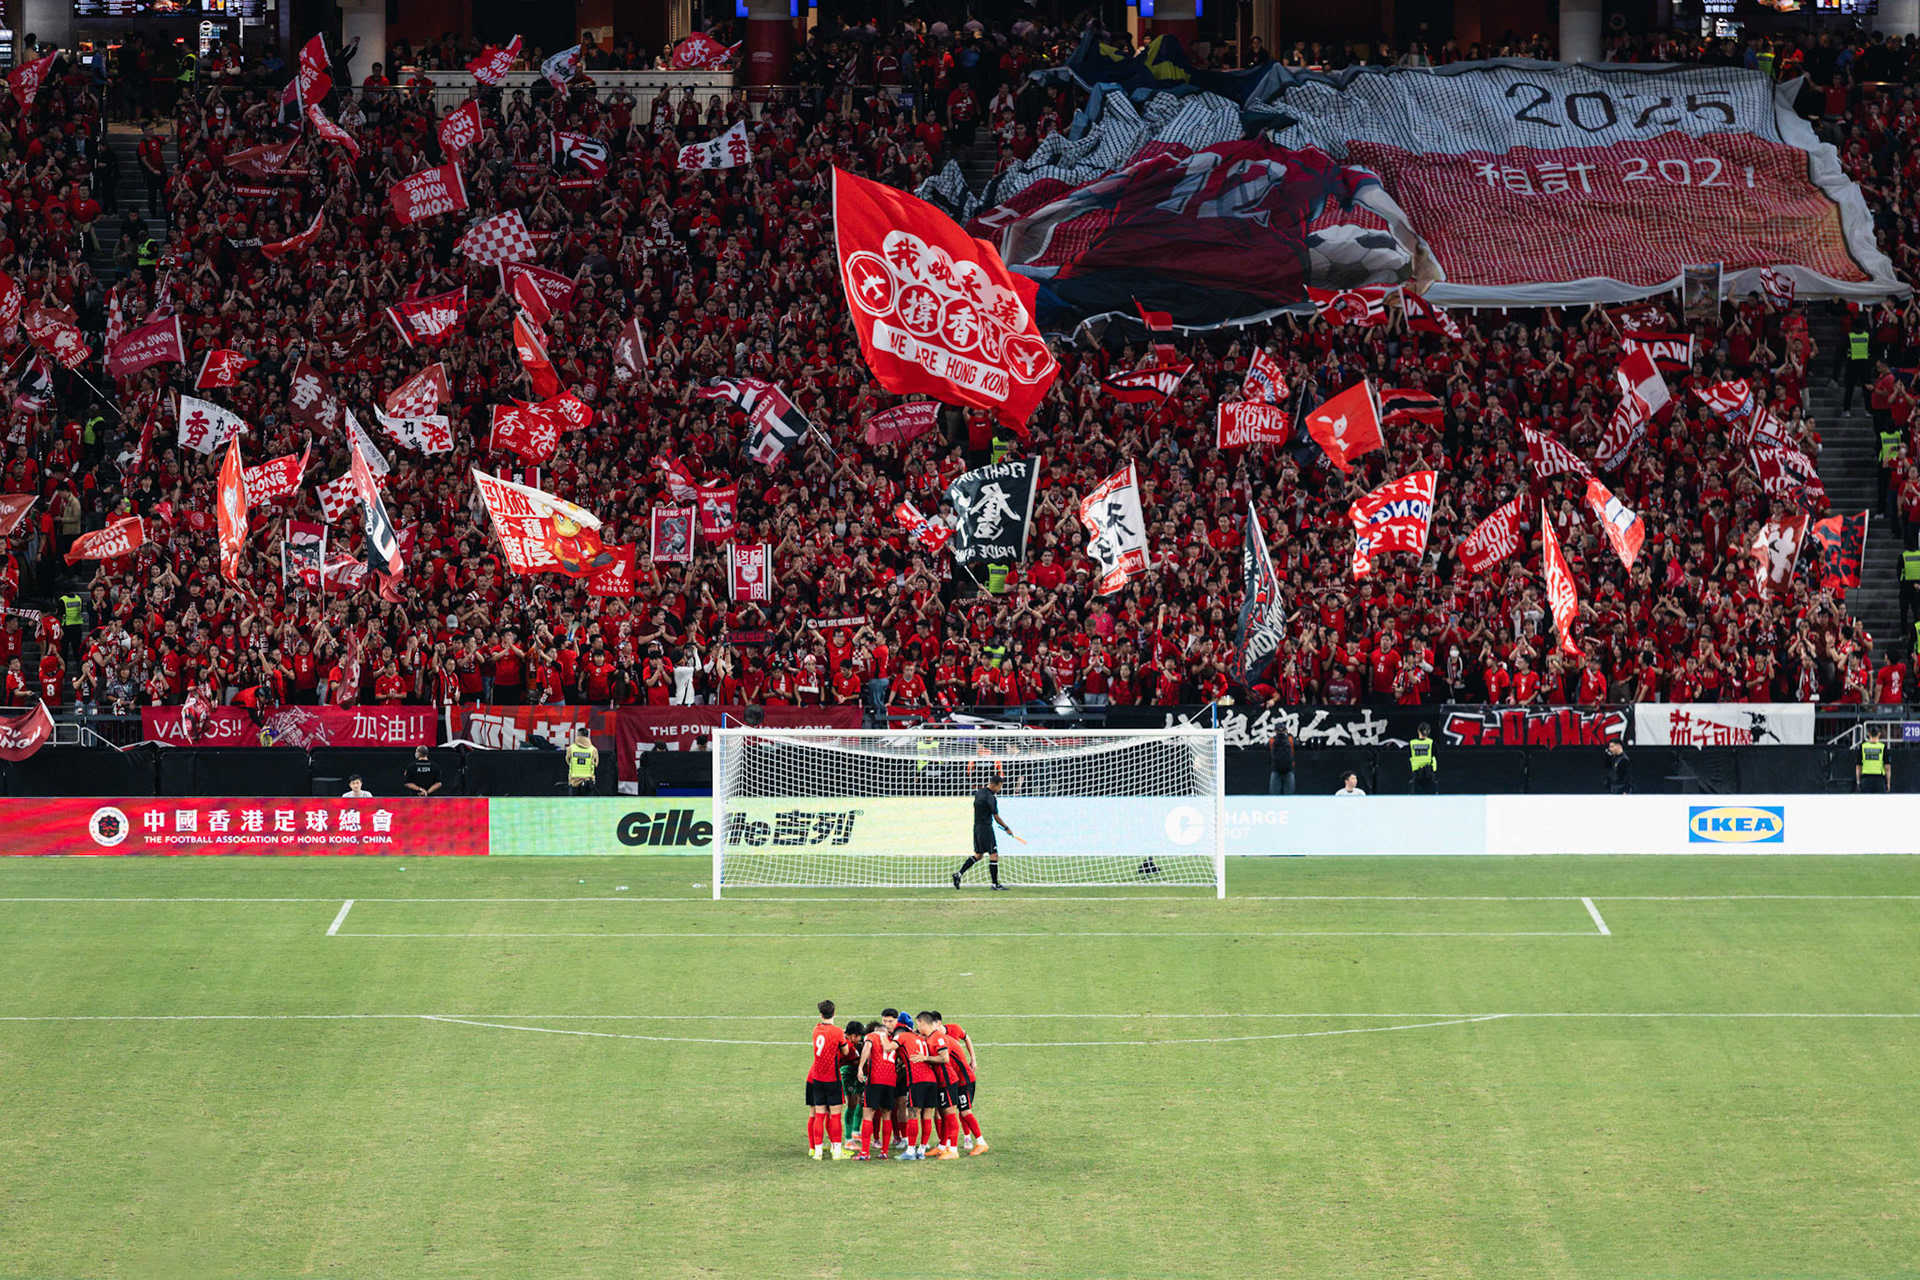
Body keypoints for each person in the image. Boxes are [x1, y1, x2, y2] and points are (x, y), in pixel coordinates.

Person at [931, 1010, 986, 1154]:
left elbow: (965, 1040)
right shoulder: (938, 1038)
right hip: (954, 1080)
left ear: (938, 1024)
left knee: (964, 1112)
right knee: (947, 1111)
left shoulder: (943, 1038)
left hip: (964, 1079)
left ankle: (980, 1142)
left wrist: (973, 1059)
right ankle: (944, 1145)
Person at [805, 999, 849, 1160]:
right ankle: (836, 1151)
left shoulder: (816, 1030)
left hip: (817, 1078)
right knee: (835, 1115)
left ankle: (817, 1151)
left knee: (820, 1113)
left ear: (821, 1014)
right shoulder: (837, 1032)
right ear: (834, 1013)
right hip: (832, 1078)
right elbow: (844, 1052)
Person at [953, 773, 1014, 889]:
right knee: (994, 855)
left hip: (977, 827)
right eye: (999, 787)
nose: (1000, 790)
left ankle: (958, 874)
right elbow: (996, 817)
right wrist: (1007, 828)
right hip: (986, 828)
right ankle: (995, 884)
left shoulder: (979, 792)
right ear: (994, 785)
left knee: (979, 855)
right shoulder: (991, 798)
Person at [854, 1013, 902, 1160]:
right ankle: (885, 1152)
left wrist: (860, 1067)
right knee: (886, 1115)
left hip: (875, 1080)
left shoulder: (872, 1036)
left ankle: (865, 1153)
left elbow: (867, 1048)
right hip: (890, 1082)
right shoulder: (892, 1041)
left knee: (868, 1114)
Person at [894, 1013, 937, 1160]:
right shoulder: (922, 1040)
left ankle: (911, 1150)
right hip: (932, 1080)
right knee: (927, 1115)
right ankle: (922, 1150)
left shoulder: (903, 1038)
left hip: (917, 1081)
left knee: (913, 1114)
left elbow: (888, 1047)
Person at [837, 1020, 866, 1151]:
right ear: (853, 1036)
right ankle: (848, 1139)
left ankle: (855, 1132)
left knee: (859, 1099)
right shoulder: (849, 1048)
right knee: (852, 1102)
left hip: (850, 1072)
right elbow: (859, 1062)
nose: (861, 1039)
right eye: (859, 1036)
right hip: (847, 1073)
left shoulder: (841, 1036)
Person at [1857, 725, 1891, 793]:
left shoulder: (1863, 747)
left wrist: (1858, 781)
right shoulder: (1883, 747)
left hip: (1866, 779)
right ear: (1879, 734)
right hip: (1879, 779)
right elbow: (1887, 768)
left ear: (1868, 734)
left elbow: (1858, 767)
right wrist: (1888, 783)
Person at [566, 727, 599, 796]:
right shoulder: (593, 750)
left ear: (578, 735)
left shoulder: (571, 748)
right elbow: (596, 764)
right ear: (587, 736)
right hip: (588, 781)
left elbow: (567, 760)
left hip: (574, 780)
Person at [1409, 722, 1438, 794]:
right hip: (1429, 774)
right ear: (1429, 732)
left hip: (1416, 773)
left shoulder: (1412, 743)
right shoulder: (1431, 743)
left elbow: (1409, 756)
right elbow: (1436, 755)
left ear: (1418, 731)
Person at [1268, 720, 1296, 795]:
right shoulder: (1290, 740)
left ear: (1275, 731)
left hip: (1276, 769)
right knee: (1288, 796)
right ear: (1286, 730)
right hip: (1288, 769)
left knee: (1274, 795)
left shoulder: (1272, 741)